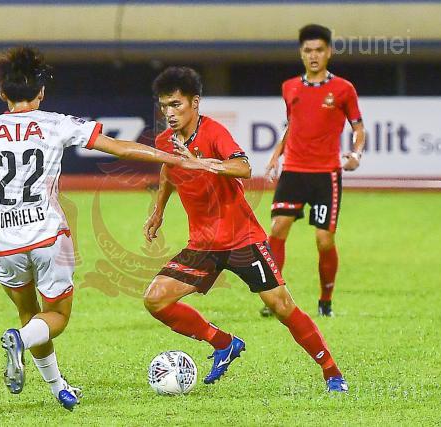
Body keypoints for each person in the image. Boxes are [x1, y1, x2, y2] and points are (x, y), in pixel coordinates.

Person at [0, 47, 222, 411]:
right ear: (42, 92)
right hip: (48, 239)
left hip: (4, 245)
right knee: (55, 316)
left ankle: (57, 386)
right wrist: (175, 159)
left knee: (30, 316)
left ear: (1, 93)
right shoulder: (55, 123)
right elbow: (120, 149)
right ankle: (21, 342)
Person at [142, 66, 348, 392]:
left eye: (176, 104)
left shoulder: (214, 132)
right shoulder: (164, 141)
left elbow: (243, 167)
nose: (169, 113)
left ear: (195, 103)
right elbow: (169, 170)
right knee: (155, 299)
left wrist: (202, 162)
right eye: (165, 105)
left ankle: (331, 371)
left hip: (242, 240)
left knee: (281, 306)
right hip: (203, 244)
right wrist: (158, 211)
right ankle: (223, 343)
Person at [263, 24, 366, 318]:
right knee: (277, 228)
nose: (313, 55)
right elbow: (291, 125)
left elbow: (359, 129)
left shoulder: (343, 89)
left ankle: (325, 301)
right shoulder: (290, 87)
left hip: (326, 175)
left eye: (319, 50)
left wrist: (356, 154)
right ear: (301, 53)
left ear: (329, 52)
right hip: (294, 171)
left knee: (323, 239)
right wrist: (276, 155)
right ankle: (273, 299)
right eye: (308, 50)